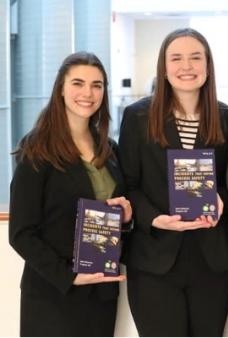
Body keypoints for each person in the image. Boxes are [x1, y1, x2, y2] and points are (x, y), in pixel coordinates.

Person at [118, 28, 228, 336]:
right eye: (177, 58)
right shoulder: (138, 116)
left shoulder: (227, 117)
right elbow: (128, 183)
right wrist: (155, 218)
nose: (187, 66)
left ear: (208, 66)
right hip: (154, 260)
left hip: (211, 260)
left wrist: (222, 198)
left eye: (195, 58)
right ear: (164, 67)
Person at [9, 51, 132, 336]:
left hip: (101, 293)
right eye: (78, 83)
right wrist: (69, 276)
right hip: (54, 294)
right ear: (61, 90)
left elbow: (112, 219)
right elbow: (21, 232)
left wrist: (125, 217)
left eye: (97, 85)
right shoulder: (38, 148)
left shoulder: (109, 149)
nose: (87, 93)